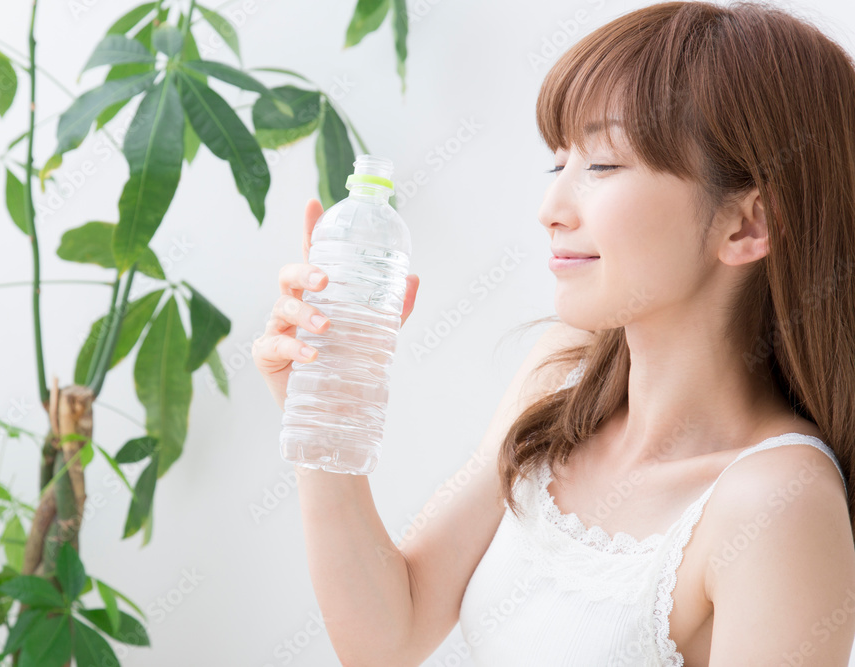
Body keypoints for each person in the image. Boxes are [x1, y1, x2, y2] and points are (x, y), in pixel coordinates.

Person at [252, 1, 855, 663]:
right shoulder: (559, 378)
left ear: (747, 226)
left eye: (602, 165)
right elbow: (386, 635)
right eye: (558, 163)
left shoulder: (778, 504)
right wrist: (319, 415)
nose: (550, 210)